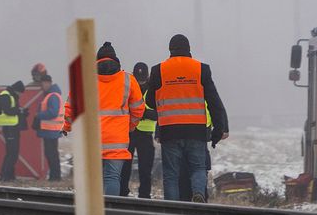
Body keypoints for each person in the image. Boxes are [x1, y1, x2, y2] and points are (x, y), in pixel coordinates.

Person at [145, 34, 227, 202]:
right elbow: (213, 100)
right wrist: (221, 128)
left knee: (171, 174)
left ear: (170, 50)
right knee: (198, 167)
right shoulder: (201, 69)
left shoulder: (158, 70)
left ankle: (173, 210)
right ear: (189, 49)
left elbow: (150, 102)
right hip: (196, 130)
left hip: (169, 130)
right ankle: (198, 193)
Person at [94, 42, 144, 196]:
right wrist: (131, 125)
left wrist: (67, 126)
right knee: (112, 177)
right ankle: (110, 213)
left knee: (94, 178)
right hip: (117, 139)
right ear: (116, 61)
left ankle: (93, 213)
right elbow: (138, 108)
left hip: (92, 139)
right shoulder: (128, 80)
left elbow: (72, 106)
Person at [128, 62, 157, 199]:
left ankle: (144, 196)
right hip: (129, 131)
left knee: (145, 169)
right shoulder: (128, 87)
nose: (140, 83)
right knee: (125, 167)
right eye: (138, 80)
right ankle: (122, 194)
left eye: (142, 80)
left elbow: (157, 113)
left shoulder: (153, 90)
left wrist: (140, 112)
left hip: (145, 134)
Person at [0, 80, 26, 181]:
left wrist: (21, 112)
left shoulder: (11, 95)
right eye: (20, 93)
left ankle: (10, 176)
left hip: (13, 126)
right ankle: (5, 176)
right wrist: (19, 110)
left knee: (12, 153)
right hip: (9, 127)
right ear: (17, 90)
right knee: (12, 153)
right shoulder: (5, 95)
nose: (20, 95)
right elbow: (7, 110)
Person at [34, 73, 65, 181]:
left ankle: (55, 177)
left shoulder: (52, 96)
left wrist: (39, 115)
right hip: (51, 130)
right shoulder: (53, 95)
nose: (41, 86)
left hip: (51, 130)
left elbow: (53, 112)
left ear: (47, 83)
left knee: (51, 154)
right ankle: (55, 176)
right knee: (52, 154)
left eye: (42, 83)